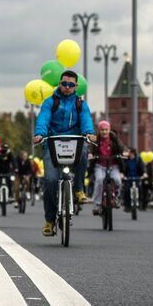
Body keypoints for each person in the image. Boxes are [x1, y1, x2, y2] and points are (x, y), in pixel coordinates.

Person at [33, 70, 95, 236]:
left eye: (71, 85)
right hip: (52, 143)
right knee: (51, 180)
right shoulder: (50, 102)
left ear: (76, 87)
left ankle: (79, 189)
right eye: (64, 84)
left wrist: (89, 132)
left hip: (74, 142)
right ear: (59, 84)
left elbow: (86, 119)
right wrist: (40, 134)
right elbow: (43, 119)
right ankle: (49, 220)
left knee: (84, 152)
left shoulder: (81, 104)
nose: (67, 87)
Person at [88, 121, 125, 215]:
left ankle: (116, 197)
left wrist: (124, 152)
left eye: (106, 129)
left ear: (109, 130)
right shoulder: (96, 140)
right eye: (102, 130)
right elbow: (91, 149)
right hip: (100, 165)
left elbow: (122, 147)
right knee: (99, 180)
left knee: (117, 180)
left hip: (113, 165)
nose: (104, 132)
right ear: (99, 131)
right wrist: (90, 154)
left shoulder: (114, 139)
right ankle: (97, 204)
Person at [122, 148, 145, 212]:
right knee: (126, 190)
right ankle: (127, 206)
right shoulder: (126, 160)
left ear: (133, 153)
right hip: (128, 178)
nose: (129, 154)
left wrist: (144, 174)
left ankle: (140, 203)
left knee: (140, 189)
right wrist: (122, 175)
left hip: (137, 177)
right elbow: (123, 168)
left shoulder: (138, 159)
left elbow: (142, 167)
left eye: (130, 153)